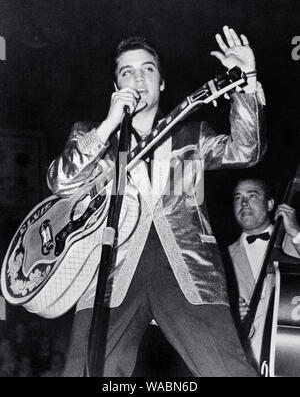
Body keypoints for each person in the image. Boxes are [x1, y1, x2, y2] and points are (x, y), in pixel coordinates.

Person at [47, 26, 266, 377]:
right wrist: (107, 127)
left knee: (229, 370)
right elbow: (59, 181)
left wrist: (247, 83)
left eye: (148, 69)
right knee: (85, 371)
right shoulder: (93, 135)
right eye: (127, 72)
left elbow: (246, 150)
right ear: (116, 87)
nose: (138, 78)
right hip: (110, 274)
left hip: (189, 272)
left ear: (162, 83)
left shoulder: (191, 135)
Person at [228, 177, 300, 369]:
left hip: (292, 353)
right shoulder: (221, 258)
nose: (244, 203)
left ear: (270, 204)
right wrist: (230, 315)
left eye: (252, 195)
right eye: (238, 197)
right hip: (245, 359)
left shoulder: (292, 241)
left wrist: (296, 233)